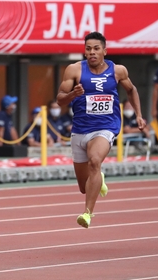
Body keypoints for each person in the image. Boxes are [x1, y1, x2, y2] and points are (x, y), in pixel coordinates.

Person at [57, 32, 146, 228]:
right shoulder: (74, 70)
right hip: (80, 129)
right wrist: (73, 94)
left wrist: (139, 114)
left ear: (104, 51)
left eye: (96, 48)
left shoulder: (118, 71)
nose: (92, 52)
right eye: (88, 49)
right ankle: (99, 178)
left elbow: (131, 90)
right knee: (84, 187)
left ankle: (87, 213)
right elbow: (60, 99)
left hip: (106, 127)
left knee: (95, 160)